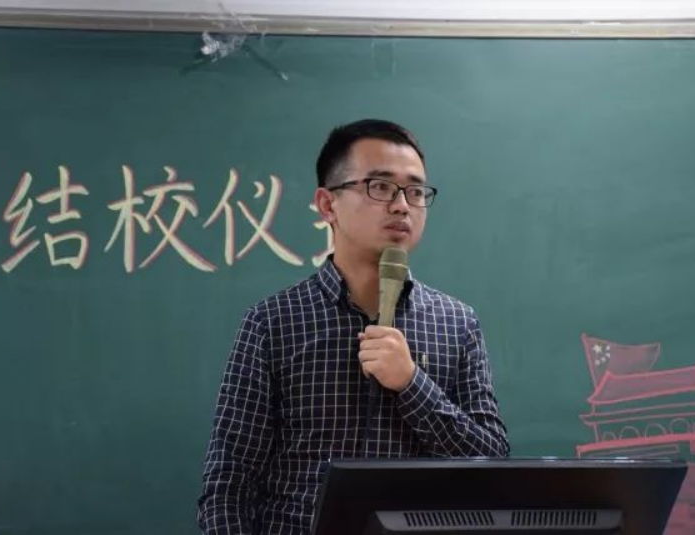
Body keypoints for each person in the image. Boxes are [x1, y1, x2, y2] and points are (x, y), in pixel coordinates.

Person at [197, 119, 509, 534]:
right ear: (328, 205)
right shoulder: (272, 322)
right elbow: (229, 484)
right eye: (380, 187)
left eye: (416, 192)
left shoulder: (457, 323)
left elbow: (492, 464)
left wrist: (411, 383)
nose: (401, 205)